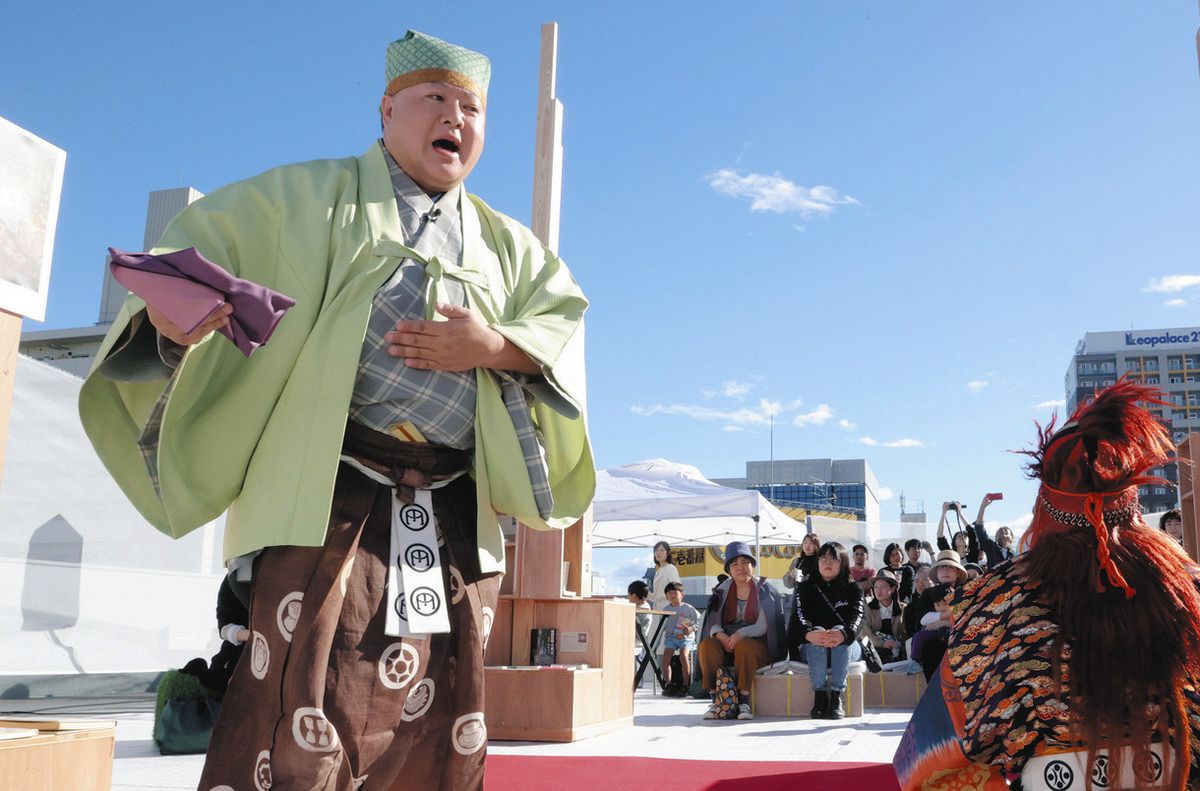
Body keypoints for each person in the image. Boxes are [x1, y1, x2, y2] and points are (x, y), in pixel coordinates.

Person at [79, 30, 594, 791]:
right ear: (386, 109)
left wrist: (495, 344)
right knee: (300, 703)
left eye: (473, 107)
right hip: (328, 497)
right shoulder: (302, 198)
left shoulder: (508, 247)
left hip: (452, 510)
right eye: (436, 99)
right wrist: (169, 319)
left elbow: (561, 320)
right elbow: (195, 254)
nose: (457, 116)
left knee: (446, 717)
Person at [894, 381, 1200, 790]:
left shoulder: (997, 599)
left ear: (1044, 505)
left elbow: (935, 756)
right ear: (1133, 505)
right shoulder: (1187, 586)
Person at [698, 541, 786, 721]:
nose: (740, 567)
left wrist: (740, 635)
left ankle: (743, 701)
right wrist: (721, 635)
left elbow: (763, 625)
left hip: (756, 644)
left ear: (753, 566)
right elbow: (713, 621)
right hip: (727, 640)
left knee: (745, 646)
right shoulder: (721, 591)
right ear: (729, 569)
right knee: (707, 645)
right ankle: (716, 700)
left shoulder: (764, 590)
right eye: (734, 564)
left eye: (745, 562)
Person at [792, 542, 864, 720]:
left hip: (847, 648)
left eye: (833, 559)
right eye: (823, 558)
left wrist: (844, 634)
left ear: (844, 563)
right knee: (818, 632)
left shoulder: (854, 588)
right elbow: (798, 618)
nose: (827, 562)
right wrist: (809, 633)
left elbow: (859, 618)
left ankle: (837, 696)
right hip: (813, 646)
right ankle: (820, 696)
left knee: (840, 631)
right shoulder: (804, 588)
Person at [660, 581, 699, 696]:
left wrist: (691, 628)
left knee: (683, 655)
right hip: (671, 637)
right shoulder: (665, 608)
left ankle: (686, 684)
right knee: (666, 655)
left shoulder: (688, 608)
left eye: (675, 593)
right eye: (669, 593)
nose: (672, 595)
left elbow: (699, 621)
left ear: (682, 595)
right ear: (666, 596)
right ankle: (668, 683)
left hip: (686, 637)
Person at [864, 570, 906, 664]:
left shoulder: (903, 608)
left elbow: (906, 634)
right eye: (876, 587)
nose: (878, 590)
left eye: (883, 586)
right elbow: (866, 634)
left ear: (893, 589)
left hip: (898, 649)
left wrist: (898, 644)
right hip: (876, 649)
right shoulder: (868, 609)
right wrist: (883, 644)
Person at [970, 492, 1017, 567]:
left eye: (1006, 530)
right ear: (996, 537)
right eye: (1000, 530)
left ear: (1011, 538)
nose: (1003, 530)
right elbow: (979, 527)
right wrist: (983, 506)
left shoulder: (1014, 554)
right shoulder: (991, 546)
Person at [648, 540, 682, 610]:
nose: (658, 553)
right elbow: (656, 596)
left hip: (668, 607)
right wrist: (645, 592)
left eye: (662, 550)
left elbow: (677, 590)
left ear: (668, 552)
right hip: (657, 608)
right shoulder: (658, 571)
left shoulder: (671, 569)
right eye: (656, 550)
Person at [628, 580, 652, 665]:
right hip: (635, 643)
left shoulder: (643, 610)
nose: (628, 598)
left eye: (629, 595)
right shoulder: (644, 607)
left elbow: (640, 635)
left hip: (635, 644)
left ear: (633, 595)